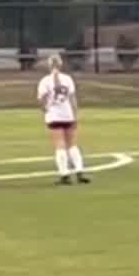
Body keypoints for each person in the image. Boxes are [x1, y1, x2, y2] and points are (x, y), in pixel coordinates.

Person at [38, 54, 89, 185]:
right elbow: (72, 99)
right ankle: (79, 171)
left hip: (54, 115)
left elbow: (42, 98)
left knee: (60, 144)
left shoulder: (45, 81)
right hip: (68, 115)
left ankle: (65, 174)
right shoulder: (68, 79)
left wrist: (44, 108)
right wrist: (75, 114)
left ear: (49, 65)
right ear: (60, 64)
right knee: (72, 144)